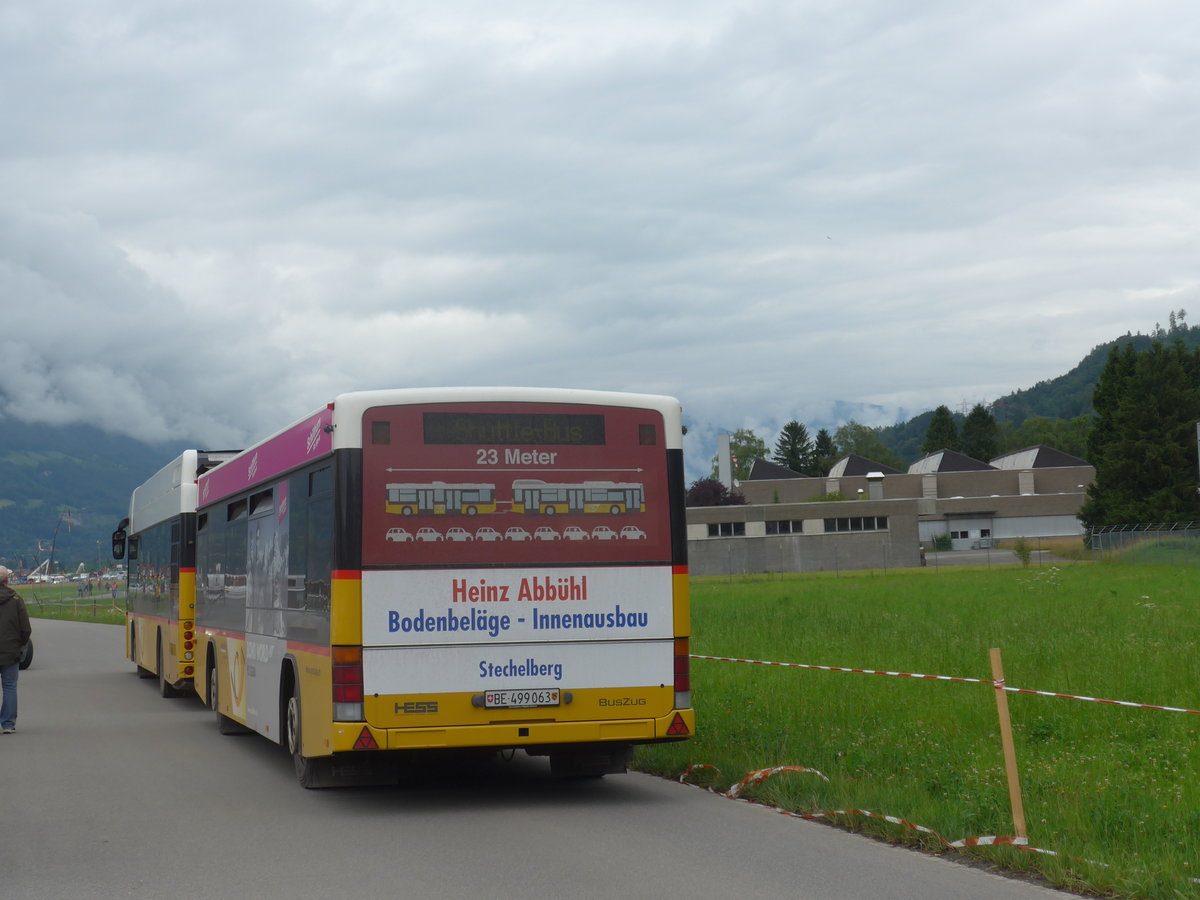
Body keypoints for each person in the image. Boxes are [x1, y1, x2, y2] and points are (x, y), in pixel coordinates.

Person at [0, 565, 33, 734]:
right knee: (10, 687)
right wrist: (20, 644)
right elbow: (25, 628)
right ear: (6, 580)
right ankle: (8, 723)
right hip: (11, 650)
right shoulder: (15, 599)